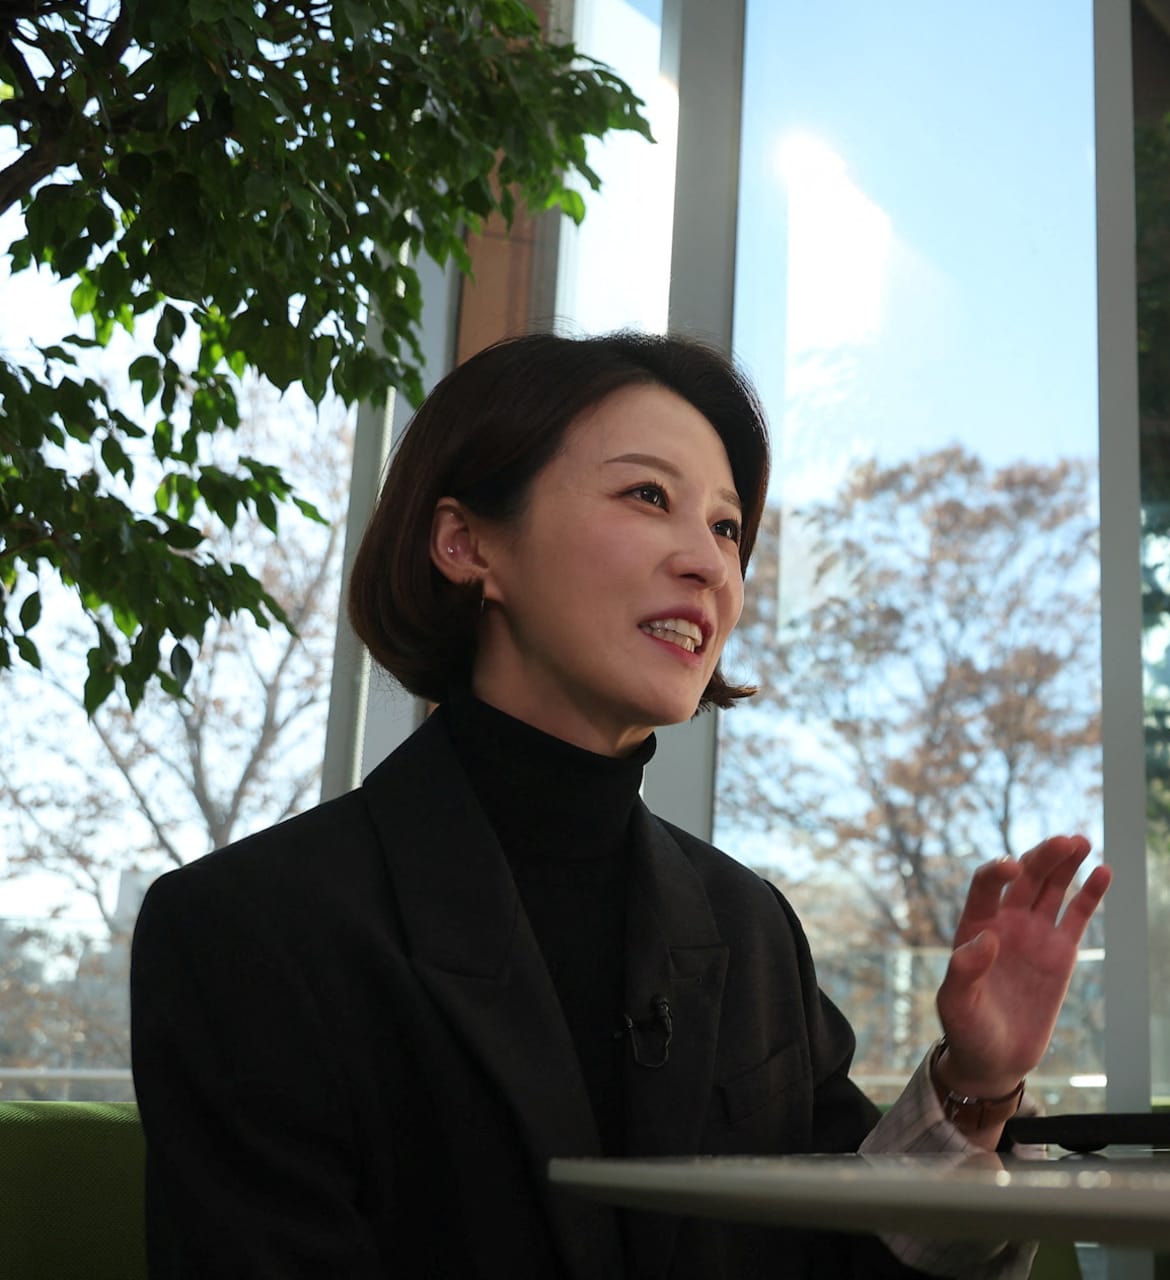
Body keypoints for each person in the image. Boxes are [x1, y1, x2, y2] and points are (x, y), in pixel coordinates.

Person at [129, 332, 1111, 1279]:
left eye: (726, 526)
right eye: (650, 495)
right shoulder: (247, 928)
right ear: (468, 542)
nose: (709, 562)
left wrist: (971, 1085)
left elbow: (847, 1256)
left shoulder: (749, 924)